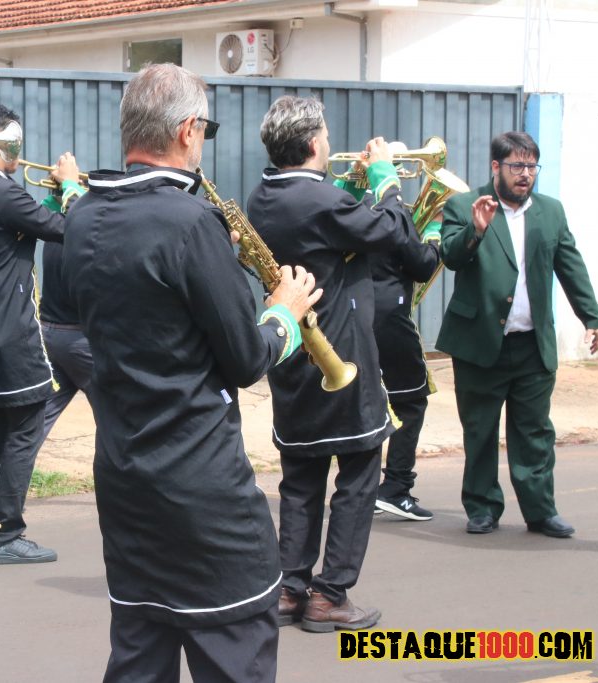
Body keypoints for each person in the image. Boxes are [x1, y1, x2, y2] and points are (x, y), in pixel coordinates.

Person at [62, 63, 321, 682]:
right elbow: (246, 360)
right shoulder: (191, 222)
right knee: (233, 649)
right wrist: (283, 314)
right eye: (205, 128)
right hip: (201, 487)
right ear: (186, 130)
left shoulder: (82, 216)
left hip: (125, 480)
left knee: (140, 655)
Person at [246, 95, 415, 633]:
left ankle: (290, 588)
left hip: (292, 353)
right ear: (315, 142)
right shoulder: (320, 200)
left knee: (301, 476)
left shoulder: (263, 196)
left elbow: (334, 225)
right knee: (360, 472)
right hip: (339, 356)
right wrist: (385, 179)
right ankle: (330, 594)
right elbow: (393, 233)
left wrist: (353, 190)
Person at [437, 131, 598, 538]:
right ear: (496, 167)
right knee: (480, 431)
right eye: (516, 166)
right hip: (479, 343)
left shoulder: (550, 212)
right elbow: (451, 257)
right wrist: (475, 230)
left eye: (531, 166)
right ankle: (482, 508)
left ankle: (540, 511)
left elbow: (570, 264)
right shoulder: (464, 205)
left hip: (532, 344)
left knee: (534, 433)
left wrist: (591, 317)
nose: (525, 174)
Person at [0, 103, 82, 564]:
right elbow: (72, 229)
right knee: (25, 430)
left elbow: (28, 225)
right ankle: (8, 533)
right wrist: (71, 187)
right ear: (5, 143)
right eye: (17, 145)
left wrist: (49, 199)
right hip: (12, 332)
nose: (20, 153)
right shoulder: (1, 192)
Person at [340, 156, 443, 522]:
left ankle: (360, 489)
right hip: (390, 319)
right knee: (411, 401)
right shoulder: (394, 212)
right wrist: (433, 233)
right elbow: (422, 264)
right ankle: (396, 488)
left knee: (363, 403)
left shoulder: (347, 207)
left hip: (352, 317)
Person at [37, 185, 92, 444]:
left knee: (36, 422)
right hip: (79, 340)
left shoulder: (53, 228)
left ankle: (6, 468)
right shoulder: (82, 235)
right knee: (119, 418)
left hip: (51, 334)